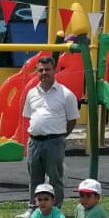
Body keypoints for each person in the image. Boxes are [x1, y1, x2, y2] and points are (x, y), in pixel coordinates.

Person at [22, 53, 78, 206]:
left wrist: (60, 136)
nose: (44, 73)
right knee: (35, 178)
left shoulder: (66, 94)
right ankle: (33, 208)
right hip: (34, 142)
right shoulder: (31, 93)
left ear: (55, 70)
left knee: (55, 178)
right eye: (40, 70)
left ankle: (56, 209)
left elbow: (72, 119)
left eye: (47, 69)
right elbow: (28, 116)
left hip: (54, 142)